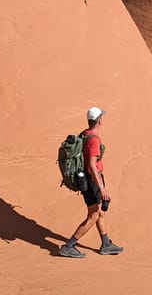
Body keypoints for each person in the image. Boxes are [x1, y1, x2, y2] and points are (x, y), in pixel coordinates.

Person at [59, 106, 124, 258]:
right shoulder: (94, 140)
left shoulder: (84, 134)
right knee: (93, 215)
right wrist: (101, 187)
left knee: (99, 211)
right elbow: (92, 166)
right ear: (99, 120)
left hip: (86, 179)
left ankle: (106, 244)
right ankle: (69, 246)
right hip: (92, 180)